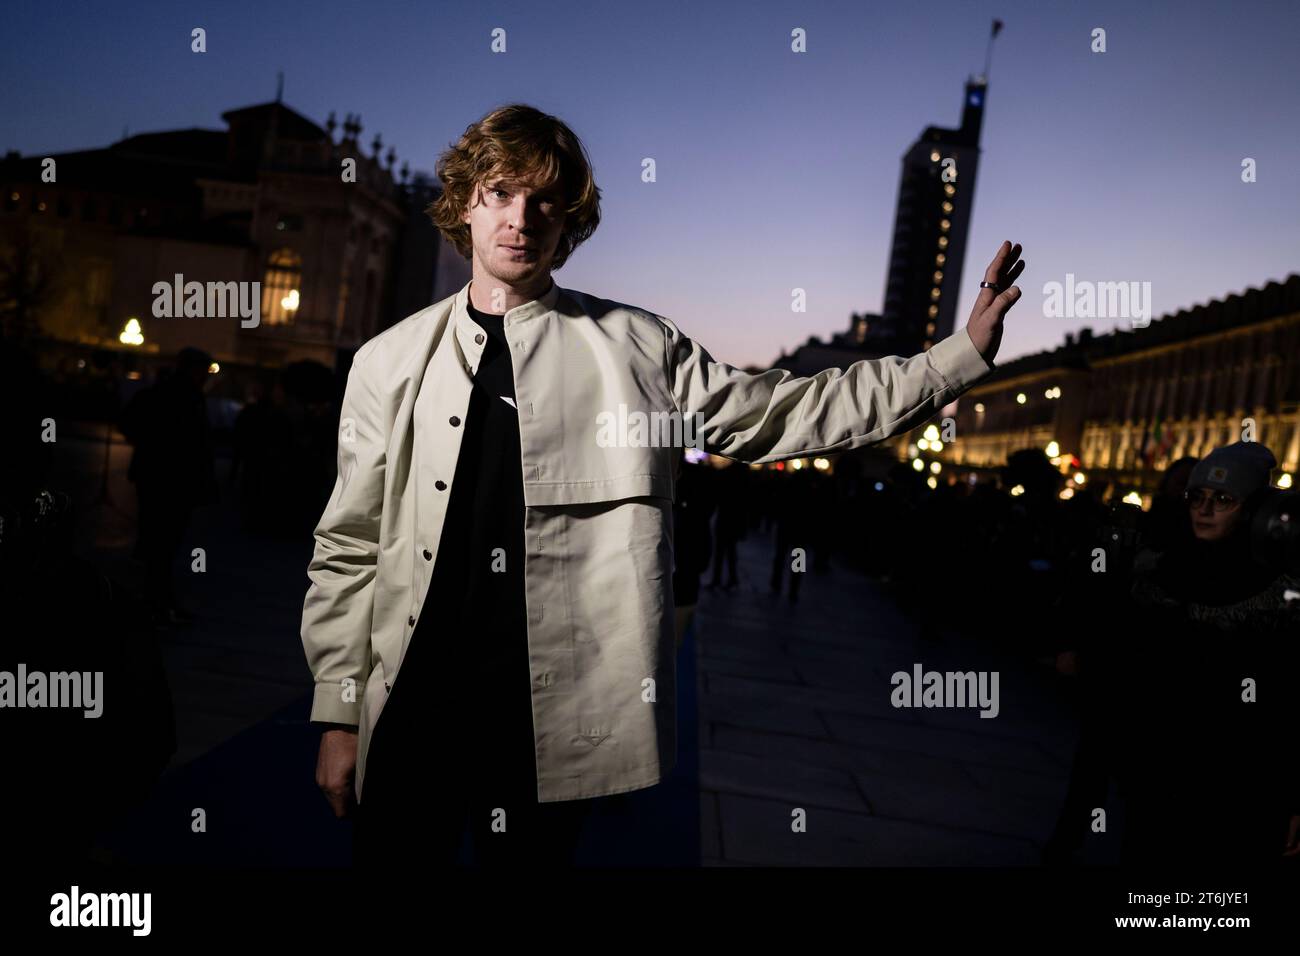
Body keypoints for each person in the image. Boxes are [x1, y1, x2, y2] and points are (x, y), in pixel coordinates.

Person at [301, 103, 1024, 868]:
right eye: (502, 193)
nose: (523, 219)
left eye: (547, 201)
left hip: (550, 722)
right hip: (413, 705)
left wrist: (954, 360)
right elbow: (348, 544)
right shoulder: (388, 361)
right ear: (466, 203)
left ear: (569, 221)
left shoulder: (639, 347)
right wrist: (340, 713)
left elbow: (784, 412)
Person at [1072, 442, 1300, 865]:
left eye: (1223, 500)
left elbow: (1287, 706)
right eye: (1197, 497)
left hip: (1240, 787)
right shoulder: (1157, 571)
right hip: (1156, 775)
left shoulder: (1283, 597)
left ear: (1253, 509)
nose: (1205, 509)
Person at [119, 347, 219, 625]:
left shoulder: (166, 392)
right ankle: (156, 601)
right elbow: (196, 443)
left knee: (159, 542)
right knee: (163, 542)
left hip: (160, 479)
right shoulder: (182, 396)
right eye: (203, 370)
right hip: (171, 482)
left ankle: (157, 599)